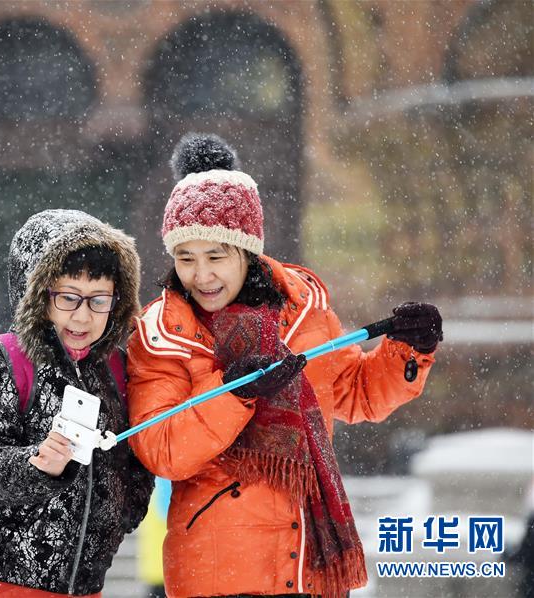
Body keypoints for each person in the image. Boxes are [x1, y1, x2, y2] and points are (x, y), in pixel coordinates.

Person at [126, 134, 443, 598]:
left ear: (247, 251)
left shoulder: (303, 312)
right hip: (219, 571)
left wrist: (409, 351)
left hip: (308, 566)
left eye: (216, 256)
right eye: (186, 259)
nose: (202, 275)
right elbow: (161, 448)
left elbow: (354, 394)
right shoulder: (163, 334)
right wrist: (232, 394)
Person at [0, 209, 154, 597]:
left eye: (99, 300)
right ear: (38, 297)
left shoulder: (115, 369)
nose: (84, 315)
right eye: (68, 298)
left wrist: (124, 508)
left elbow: (132, 460)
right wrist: (36, 465)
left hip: (83, 588)